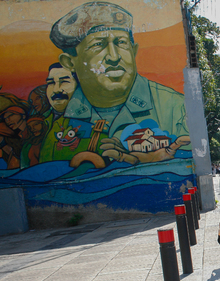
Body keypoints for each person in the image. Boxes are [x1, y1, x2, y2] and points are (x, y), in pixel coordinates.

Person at [47, 1, 190, 166]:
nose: (114, 57)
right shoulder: (57, 122)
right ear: (70, 62)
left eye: (121, 43)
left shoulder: (176, 109)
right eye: (97, 45)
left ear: (134, 51)